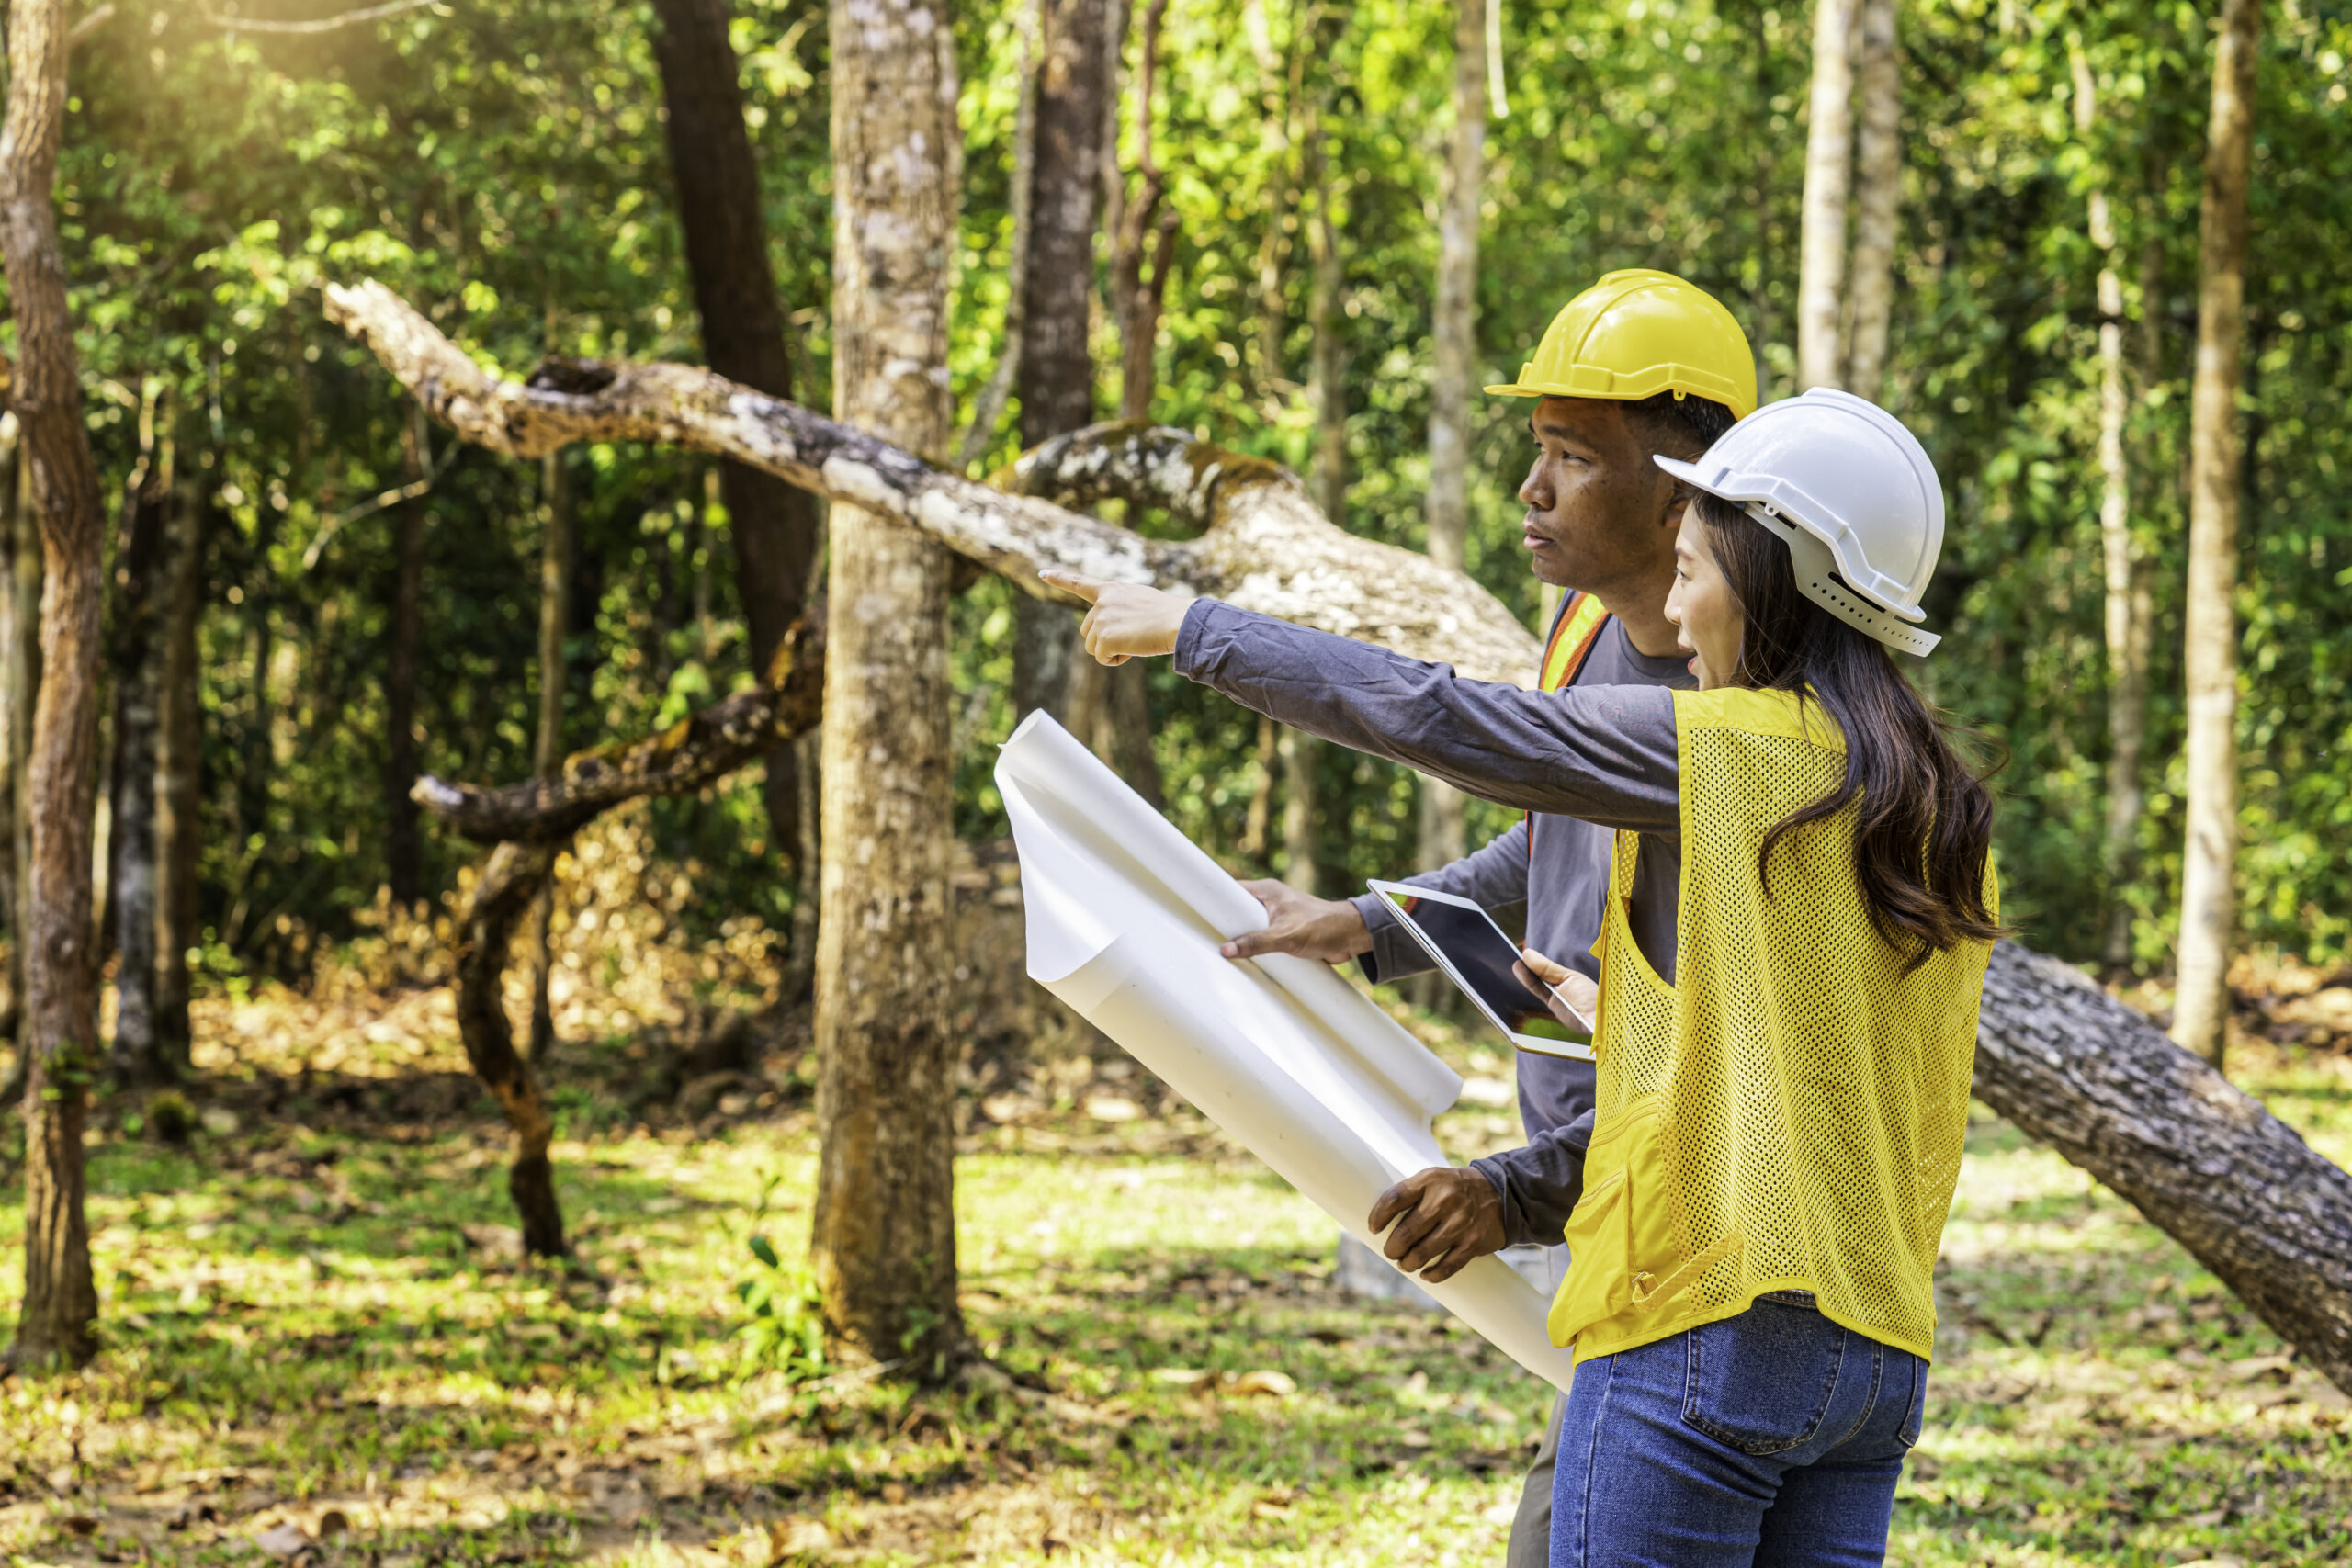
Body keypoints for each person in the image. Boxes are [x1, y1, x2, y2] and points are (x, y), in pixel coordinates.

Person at [1045, 386, 1999, 1567]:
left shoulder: (1737, 750)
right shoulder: (1935, 808)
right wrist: (1622, 1030)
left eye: (1693, 570)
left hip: (1705, 1327)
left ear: (1765, 583)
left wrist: (1196, 627)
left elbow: (1457, 723)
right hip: (1873, 1363)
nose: (1679, 609)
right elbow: (1824, 1081)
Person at [1191, 268, 1756, 1564]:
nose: (1532, 488)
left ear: (1681, 488)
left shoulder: (1740, 691)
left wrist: (1513, 1189)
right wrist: (1374, 919)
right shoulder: (1585, 627)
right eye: (1534, 448)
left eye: (1570, 455)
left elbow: (1727, 1077)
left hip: (1689, 1240)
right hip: (1607, 1212)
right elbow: (1556, 829)